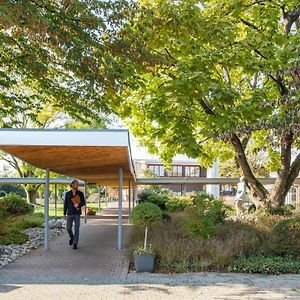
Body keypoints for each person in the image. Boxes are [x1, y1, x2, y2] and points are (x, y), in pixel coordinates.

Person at [63, 180, 86, 249]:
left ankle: (75, 243)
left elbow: (83, 202)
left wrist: (78, 205)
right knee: (68, 228)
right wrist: (64, 213)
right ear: (72, 185)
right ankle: (72, 237)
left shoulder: (80, 193)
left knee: (76, 229)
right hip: (69, 213)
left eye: (78, 184)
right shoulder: (67, 194)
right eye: (76, 184)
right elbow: (65, 204)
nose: (77, 185)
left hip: (77, 213)